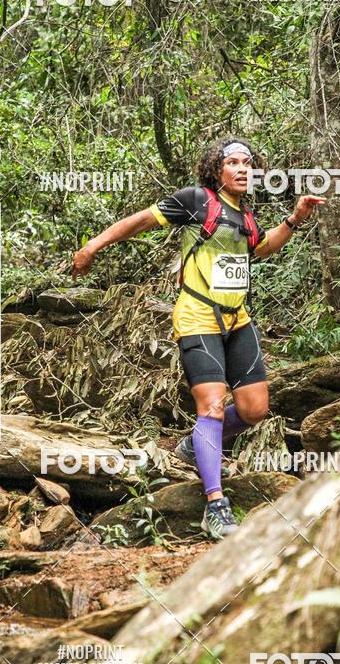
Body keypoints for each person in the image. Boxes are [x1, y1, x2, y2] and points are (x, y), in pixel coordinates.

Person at [72, 136, 326, 539]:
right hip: (197, 317)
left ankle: (195, 446)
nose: (243, 169)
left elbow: (259, 250)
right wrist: (93, 245)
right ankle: (215, 505)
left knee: (255, 409)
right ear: (217, 170)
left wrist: (294, 219)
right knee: (210, 408)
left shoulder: (245, 216)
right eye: (234, 163)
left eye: (249, 164)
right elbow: (141, 220)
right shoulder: (196, 201)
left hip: (238, 321)